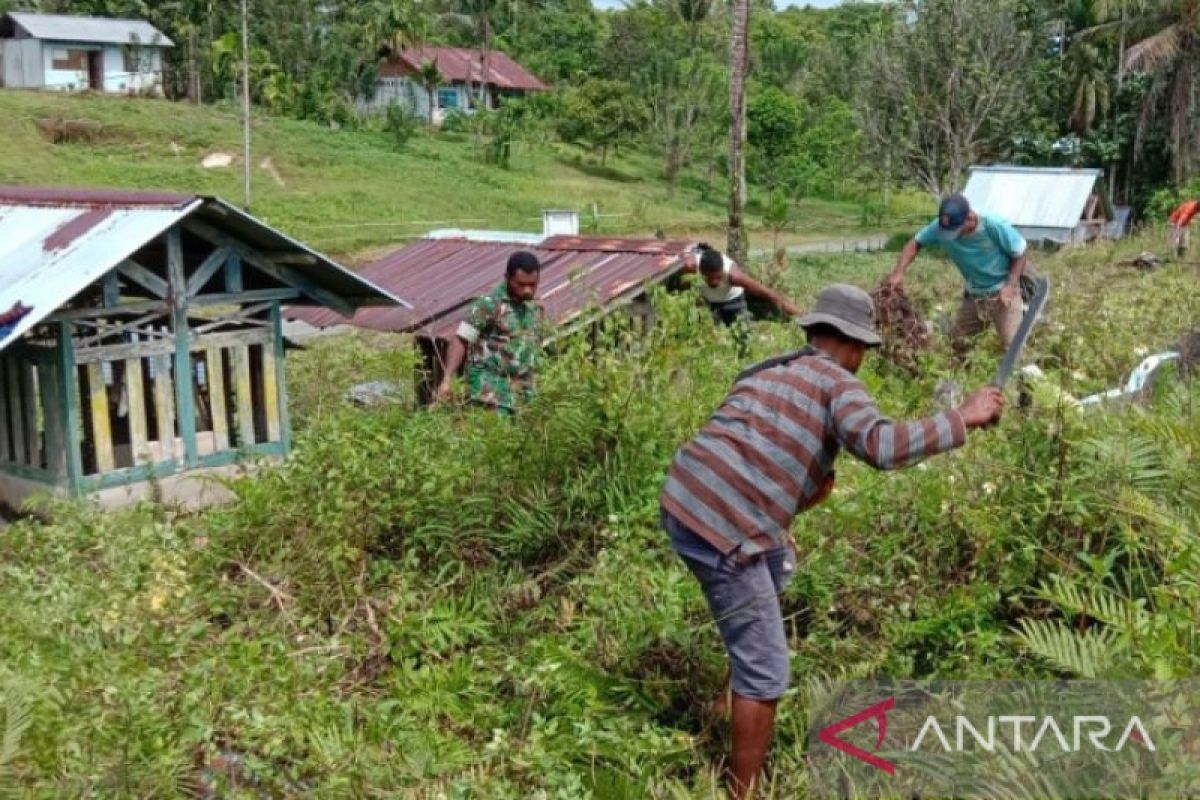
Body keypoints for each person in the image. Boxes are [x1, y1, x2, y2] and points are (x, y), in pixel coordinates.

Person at [659, 284, 1004, 799]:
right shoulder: (840, 383)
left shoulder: (769, 369)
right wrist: (965, 416)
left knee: (776, 566)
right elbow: (882, 447)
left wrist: (782, 516)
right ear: (856, 346)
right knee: (769, 672)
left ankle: (726, 702)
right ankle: (743, 790)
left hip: (682, 500)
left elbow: (752, 448)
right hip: (725, 528)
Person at [886, 194, 1028, 355]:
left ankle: (1022, 377)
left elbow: (1020, 253)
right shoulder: (940, 227)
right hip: (975, 294)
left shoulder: (992, 226)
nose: (951, 236)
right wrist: (899, 272)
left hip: (1003, 293)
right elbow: (915, 243)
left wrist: (1010, 286)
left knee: (1013, 348)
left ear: (970, 218)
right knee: (958, 345)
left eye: (955, 231)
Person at [435, 251, 545, 413]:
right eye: (521, 284)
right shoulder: (488, 305)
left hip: (522, 397)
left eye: (532, 285)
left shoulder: (535, 308)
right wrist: (447, 379)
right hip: (489, 394)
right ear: (507, 278)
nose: (527, 290)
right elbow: (460, 340)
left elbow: (535, 348)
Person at [682, 243, 803, 326]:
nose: (714, 282)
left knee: (744, 333)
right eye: (708, 278)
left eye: (718, 277)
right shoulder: (691, 267)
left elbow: (770, 295)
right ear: (701, 271)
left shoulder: (734, 275)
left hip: (733, 301)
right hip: (710, 304)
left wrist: (803, 316)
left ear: (722, 270)